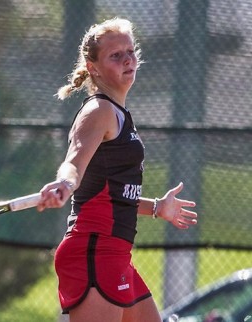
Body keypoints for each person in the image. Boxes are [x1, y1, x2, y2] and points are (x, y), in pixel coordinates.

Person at [37, 17, 198, 322]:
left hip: (114, 254)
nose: (127, 60)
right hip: (93, 253)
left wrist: (156, 208)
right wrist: (64, 183)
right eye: (115, 55)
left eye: (130, 51)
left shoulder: (119, 113)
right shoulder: (98, 111)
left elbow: (110, 195)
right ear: (93, 66)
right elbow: (74, 162)